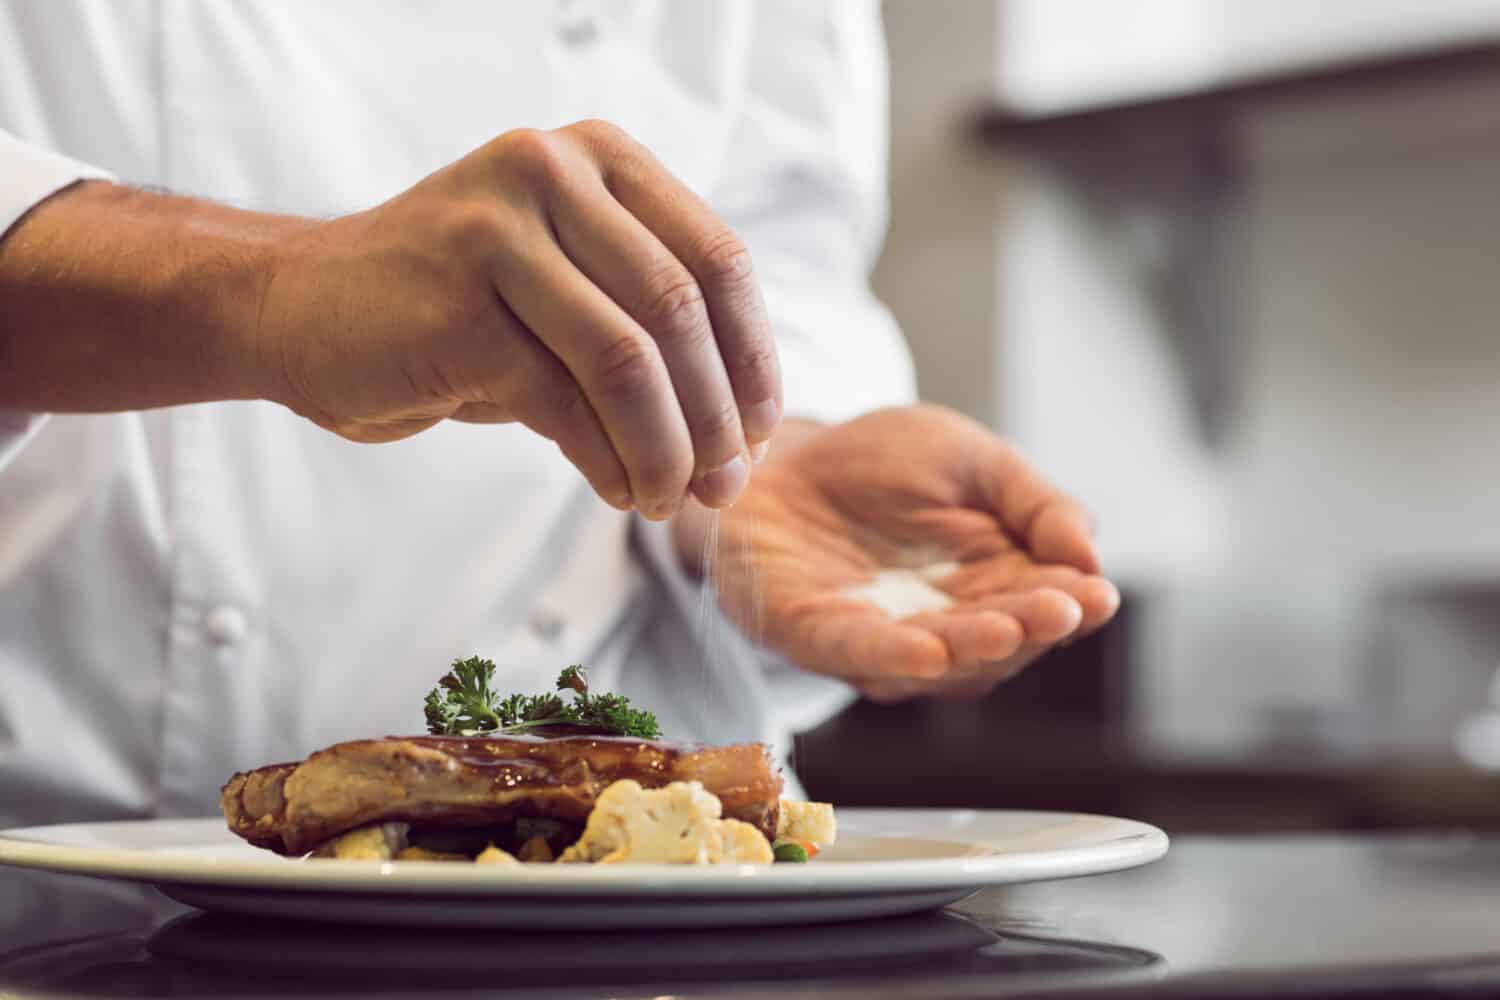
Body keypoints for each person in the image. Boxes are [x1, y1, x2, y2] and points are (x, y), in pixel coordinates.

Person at [0, 2, 1118, 825]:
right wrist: (276, 291)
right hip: (48, 877)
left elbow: (779, 242)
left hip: (626, 888)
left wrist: (748, 459)